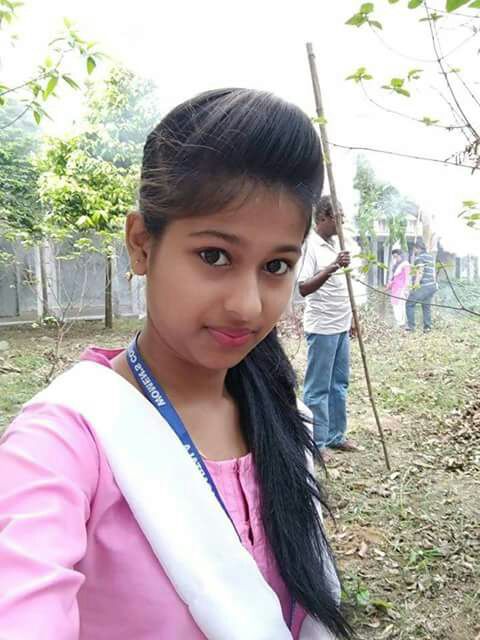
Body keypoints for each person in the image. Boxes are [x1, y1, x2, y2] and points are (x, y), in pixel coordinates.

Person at [0, 90, 351, 640]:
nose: (248, 306)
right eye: (215, 256)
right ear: (141, 244)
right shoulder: (62, 443)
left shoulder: (281, 412)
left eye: (276, 266)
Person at [298, 196, 357, 463]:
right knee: (318, 388)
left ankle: (335, 435)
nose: (342, 222)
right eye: (338, 217)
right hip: (322, 327)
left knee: (339, 384)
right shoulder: (310, 246)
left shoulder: (337, 244)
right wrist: (334, 265)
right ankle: (316, 442)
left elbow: (345, 287)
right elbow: (303, 287)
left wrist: (353, 318)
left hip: (341, 325)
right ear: (323, 217)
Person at [406, 238, 437, 333]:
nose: (414, 251)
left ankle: (411, 327)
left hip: (424, 286)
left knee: (409, 303)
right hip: (432, 285)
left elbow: (420, 272)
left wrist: (415, 286)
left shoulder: (419, 258)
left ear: (418, 248)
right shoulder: (430, 257)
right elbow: (433, 272)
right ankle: (427, 327)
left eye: (414, 249)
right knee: (426, 305)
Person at [385, 248, 410, 327]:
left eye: (396, 256)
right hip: (395, 289)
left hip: (402, 289)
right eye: (394, 257)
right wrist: (387, 287)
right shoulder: (396, 266)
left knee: (401, 306)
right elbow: (393, 278)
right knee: (395, 306)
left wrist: (406, 289)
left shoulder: (405, 264)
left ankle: (402, 324)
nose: (395, 258)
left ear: (401, 255)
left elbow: (407, 277)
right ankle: (399, 323)